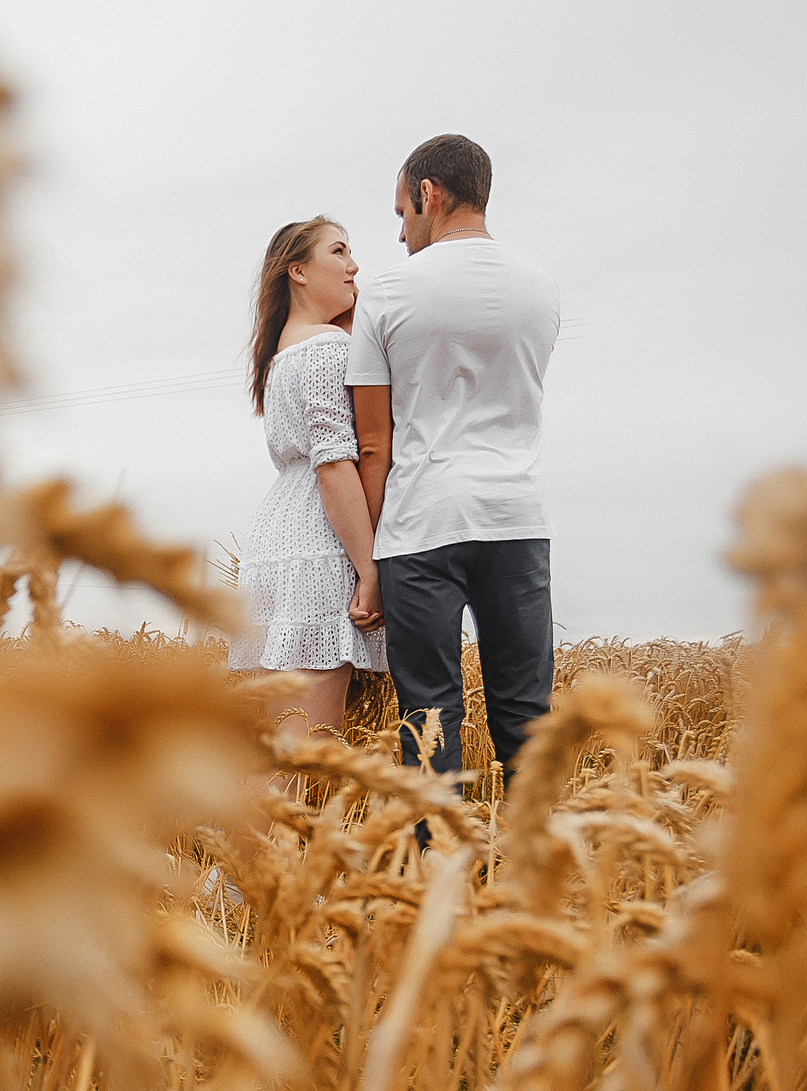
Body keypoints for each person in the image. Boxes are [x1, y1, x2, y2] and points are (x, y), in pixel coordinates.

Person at [345, 135, 560, 786]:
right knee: (526, 721)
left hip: (420, 527)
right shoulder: (541, 291)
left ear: (429, 195)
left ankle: (438, 882)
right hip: (517, 522)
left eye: (403, 214)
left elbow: (375, 444)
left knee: (429, 723)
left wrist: (373, 564)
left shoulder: (385, 295)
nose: (403, 233)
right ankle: (528, 878)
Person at [226, 218, 388, 740]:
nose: (353, 265)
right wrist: (369, 569)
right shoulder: (326, 350)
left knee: (288, 744)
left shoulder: (283, 353)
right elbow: (336, 465)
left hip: (282, 539)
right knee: (307, 750)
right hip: (321, 545)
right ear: (297, 270)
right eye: (338, 251)